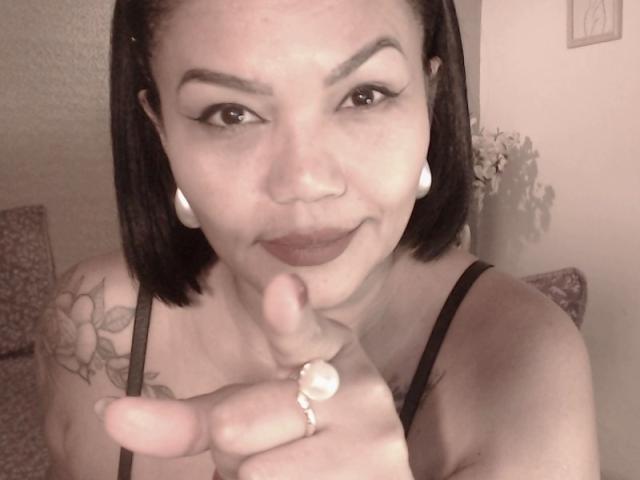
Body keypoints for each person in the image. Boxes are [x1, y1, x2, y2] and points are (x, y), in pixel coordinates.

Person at [36, 0, 600, 478]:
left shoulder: (527, 362)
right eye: (230, 114)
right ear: (161, 128)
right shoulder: (86, 323)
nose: (305, 183)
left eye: (365, 95)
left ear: (429, 101)